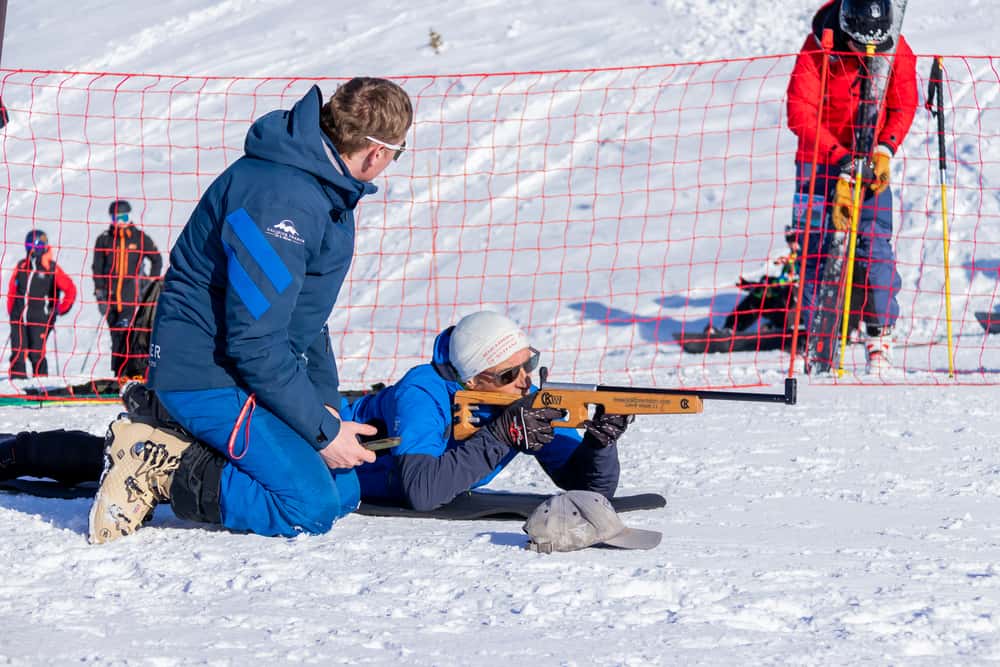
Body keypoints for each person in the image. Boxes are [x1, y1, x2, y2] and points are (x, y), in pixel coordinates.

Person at [88, 78, 414, 544]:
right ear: (377, 153)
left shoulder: (322, 188)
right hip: (205, 375)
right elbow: (254, 342)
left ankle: (180, 436)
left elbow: (307, 319)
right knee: (309, 506)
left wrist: (322, 405)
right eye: (397, 154)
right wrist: (322, 432)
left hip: (243, 372)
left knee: (342, 491)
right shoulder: (283, 200)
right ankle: (156, 464)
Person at [348, 311, 627, 511]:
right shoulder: (420, 394)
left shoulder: (520, 395)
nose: (525, 382)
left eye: (529, 364)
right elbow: (422, 492)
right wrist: (501, 435)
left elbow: (590, 491)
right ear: (471, 379)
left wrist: (598, 446)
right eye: (507, 375)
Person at [786, 0, 917, 372]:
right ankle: (820, 334)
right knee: (815, 245)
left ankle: (879, 333)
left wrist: (885, 148)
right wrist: (839, 157)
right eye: (862, 47)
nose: (870, 55)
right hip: (818, 160)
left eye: (878, 49)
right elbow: (799, 111)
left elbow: (903, 103)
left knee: (874, 244)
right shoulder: (818, 48)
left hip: (871, 159)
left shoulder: (897, 47)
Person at [92, 199, 163, 378]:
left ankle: (129, 372)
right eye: (116, 218)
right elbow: (97, 268)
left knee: (127, 334)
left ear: (129, 216)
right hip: (110, 299)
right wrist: (100, 294)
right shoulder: (104, 240)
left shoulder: (139, 238)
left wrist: (151, 283)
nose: (120, 222)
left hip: (132, 298)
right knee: (116, 336)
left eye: (123, 218)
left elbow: (157, 259)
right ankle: (118, 373)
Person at [7, 230, 76, 378]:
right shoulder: (21, 266)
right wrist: (12, 311)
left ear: (43, 246)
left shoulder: (51, 268)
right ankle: (17, 385)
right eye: (29, 245)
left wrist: (60, 308)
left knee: (36, 354)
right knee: (18, 352)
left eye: (36, 245)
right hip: (19, 317)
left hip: (40, 318)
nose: (32, 249)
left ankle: (41, 386)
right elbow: (12, 290)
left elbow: (70, 288)